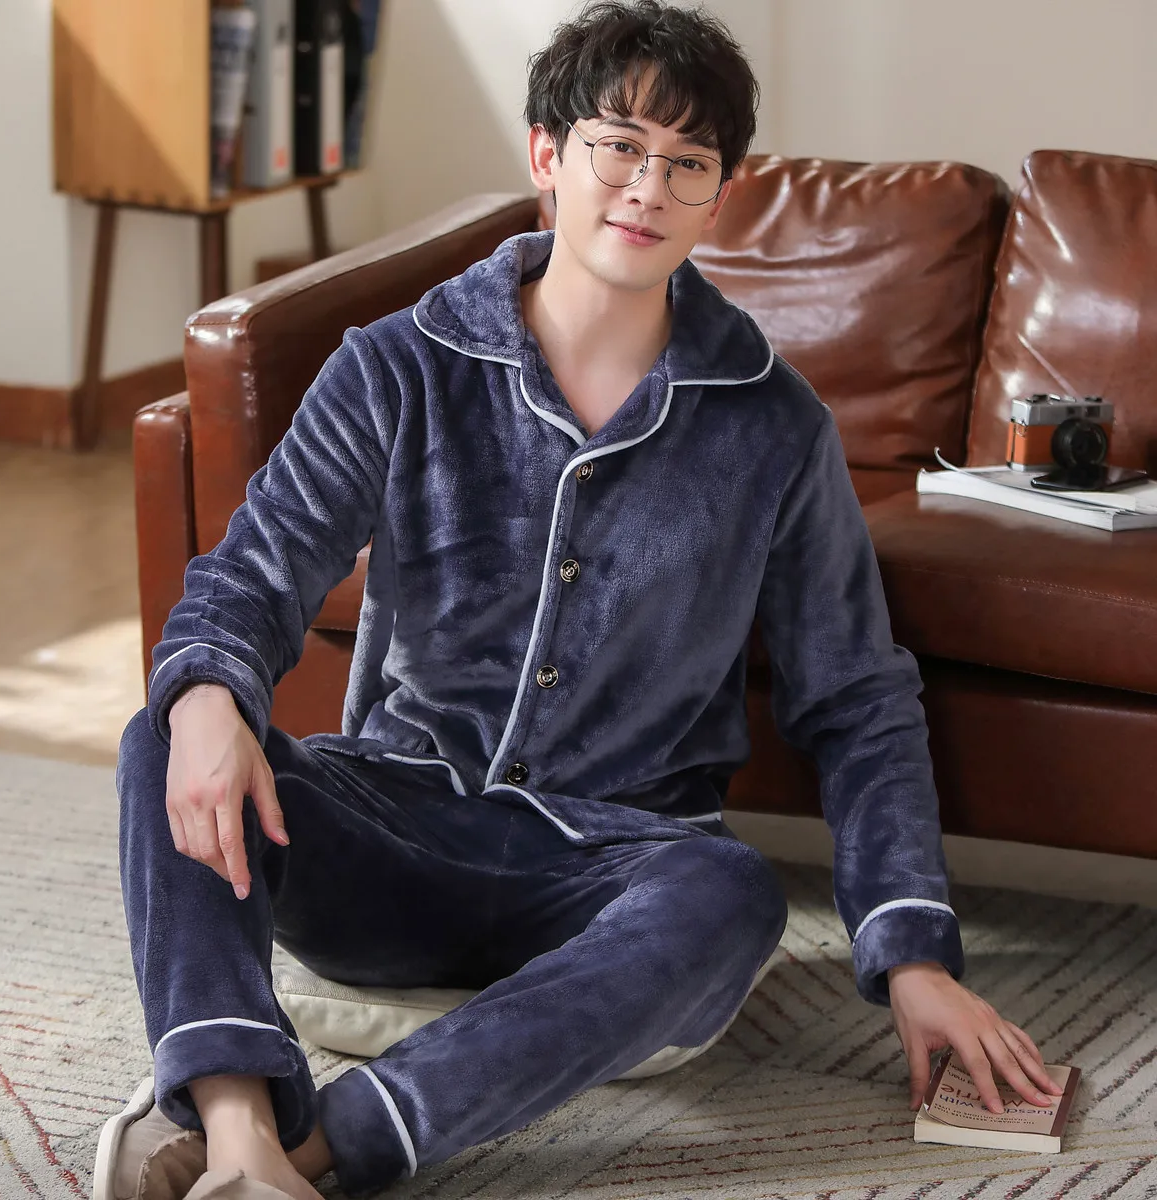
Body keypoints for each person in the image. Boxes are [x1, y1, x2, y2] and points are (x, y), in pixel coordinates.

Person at [106, 2, 1064, 1197]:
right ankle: (240, 1128)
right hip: (399, 826)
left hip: (619, 864)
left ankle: (320, 1152)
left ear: (719, 197)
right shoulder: (397, 366)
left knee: (734, 898)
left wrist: (915, 956)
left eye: (687, 163)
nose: (648, 188)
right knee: (170, 729)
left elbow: (858, 699)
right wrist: (209, 695)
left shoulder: (775, 426)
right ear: (547, 155)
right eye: (619, 145)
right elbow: (255, 571)